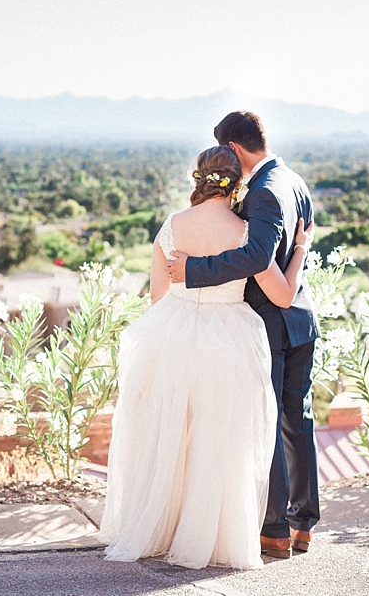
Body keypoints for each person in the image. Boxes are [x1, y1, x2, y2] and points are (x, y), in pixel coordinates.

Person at [99, 143, 314, 570]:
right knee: (220, 440)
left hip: (173, 334)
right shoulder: (244, 234)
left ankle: (163, 526)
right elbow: (284, 295)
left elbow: (159, 294)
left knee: (173, 433)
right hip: (229, 340)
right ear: (237, 185)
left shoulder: (172, 227)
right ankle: (216, 534)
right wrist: (302, 251)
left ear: (198, 179)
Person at [165, 111, 320, 559]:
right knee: (298, 421)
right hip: (300, 318)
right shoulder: (294, 181)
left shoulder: (266, 192)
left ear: (233, 148)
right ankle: (303, 524)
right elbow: (297, 249)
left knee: (270, 422)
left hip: (270, 323)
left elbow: (255, 255)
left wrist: (194, 269)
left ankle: (274, 529)